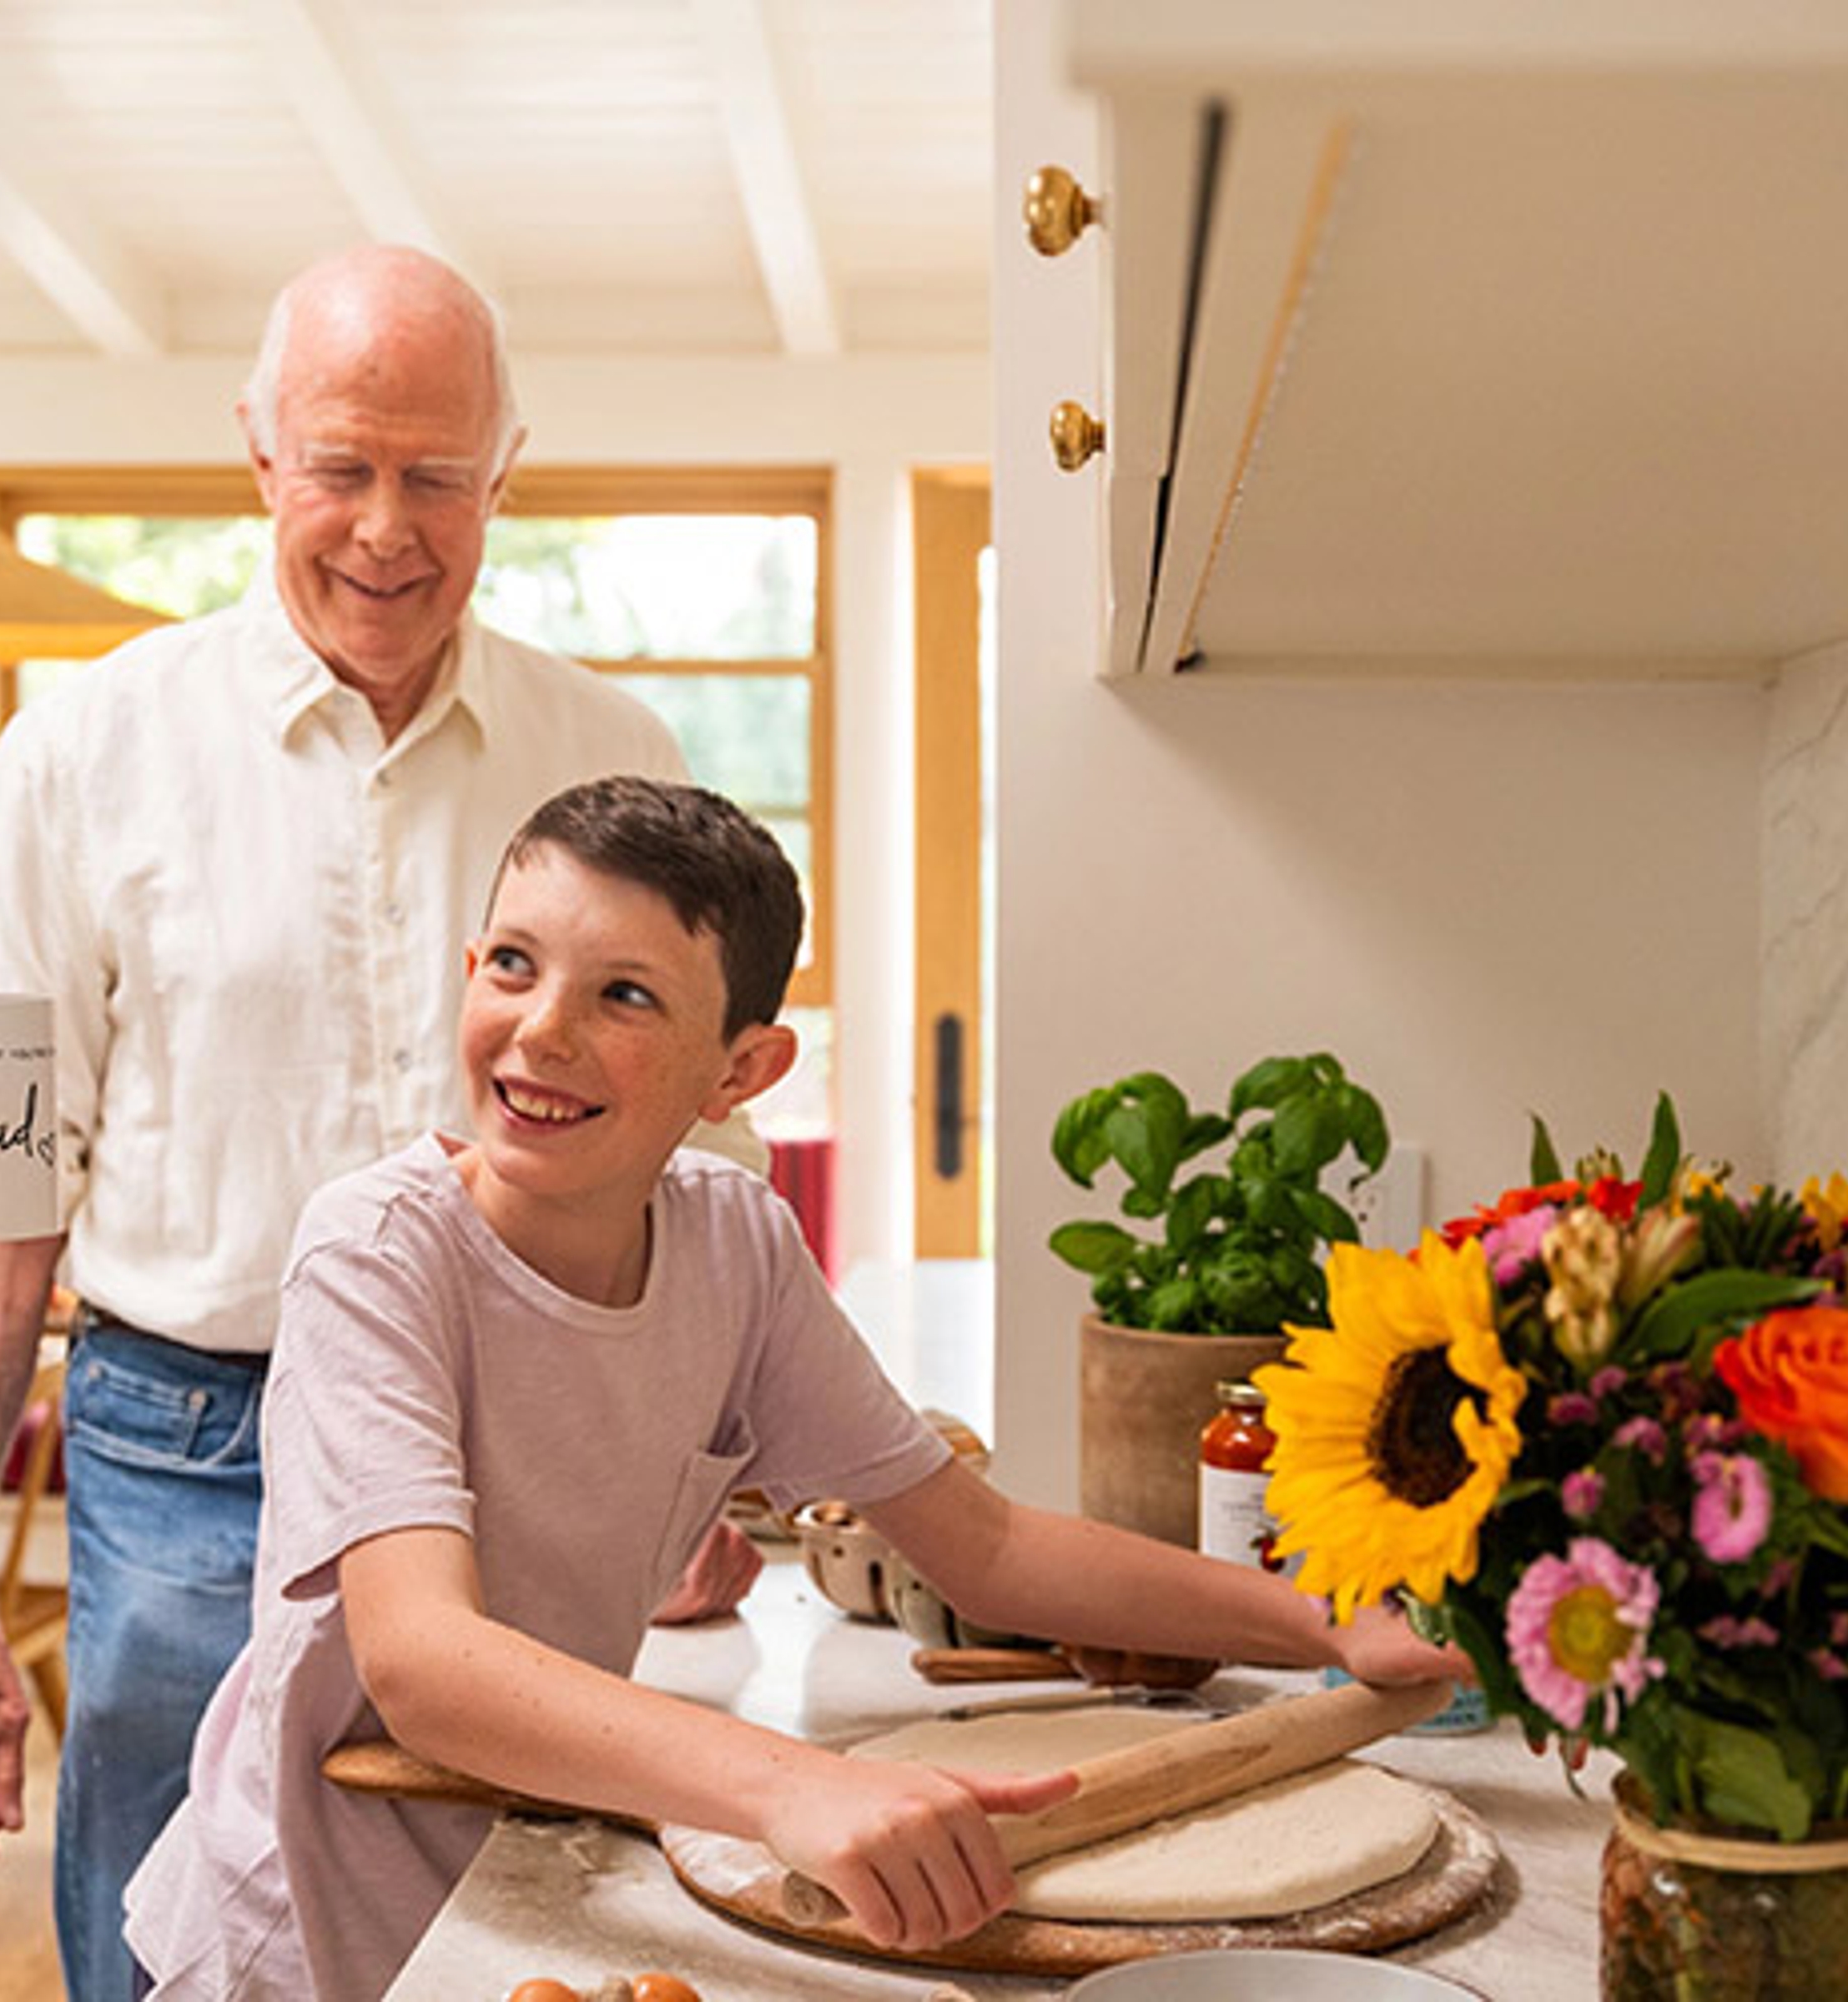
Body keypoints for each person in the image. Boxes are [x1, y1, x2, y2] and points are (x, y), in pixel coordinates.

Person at [121, 777, 1469, 1997]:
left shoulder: (735, 1241)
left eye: (625, 996)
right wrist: (790, 1786)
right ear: (468, 971)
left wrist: (1325, 1623)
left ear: (743, 1071)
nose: (543, 1031)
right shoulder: (376, 1250)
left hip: (530, 1870)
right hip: (302, 1925)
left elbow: (983, 1548)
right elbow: (428, 1665)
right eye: (515, 968)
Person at [0, 244, 760, 1997]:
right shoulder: (76, 748)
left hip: (533, 1437)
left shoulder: (624, 747)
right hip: (185, 1447)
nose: (387, 525)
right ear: (258, 456)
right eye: (342, 467)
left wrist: (703, 1454)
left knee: (514, 1943)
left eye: (438, 474)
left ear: (504, 472)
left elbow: (697, 1150)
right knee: (175, 1948)